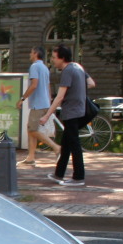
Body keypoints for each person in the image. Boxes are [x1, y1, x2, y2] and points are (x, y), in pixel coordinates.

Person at [41, 45, 94, 187]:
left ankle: (78, 177)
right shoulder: (78, 67)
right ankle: (59, 173)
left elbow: (59, 97)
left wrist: (46, 116)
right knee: (66, 144)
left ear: (62, 58)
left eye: (54, 57)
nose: (52, 60)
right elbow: (91, 83)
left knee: (74, 145)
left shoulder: (67, 71)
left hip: (71, 112)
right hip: (79, 110)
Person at [17, 45, 59, 164]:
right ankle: (31, 157)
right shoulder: (45, 68)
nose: (30, 55)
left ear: (35, 53)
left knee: (32, 129)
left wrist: (22, 98)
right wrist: (50, 102)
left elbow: (34, 85)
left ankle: (56, 147)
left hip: (37, 103)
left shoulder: (34, 67)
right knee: (32, 129)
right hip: (45, 102)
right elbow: (48, 86)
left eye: (31, 52)